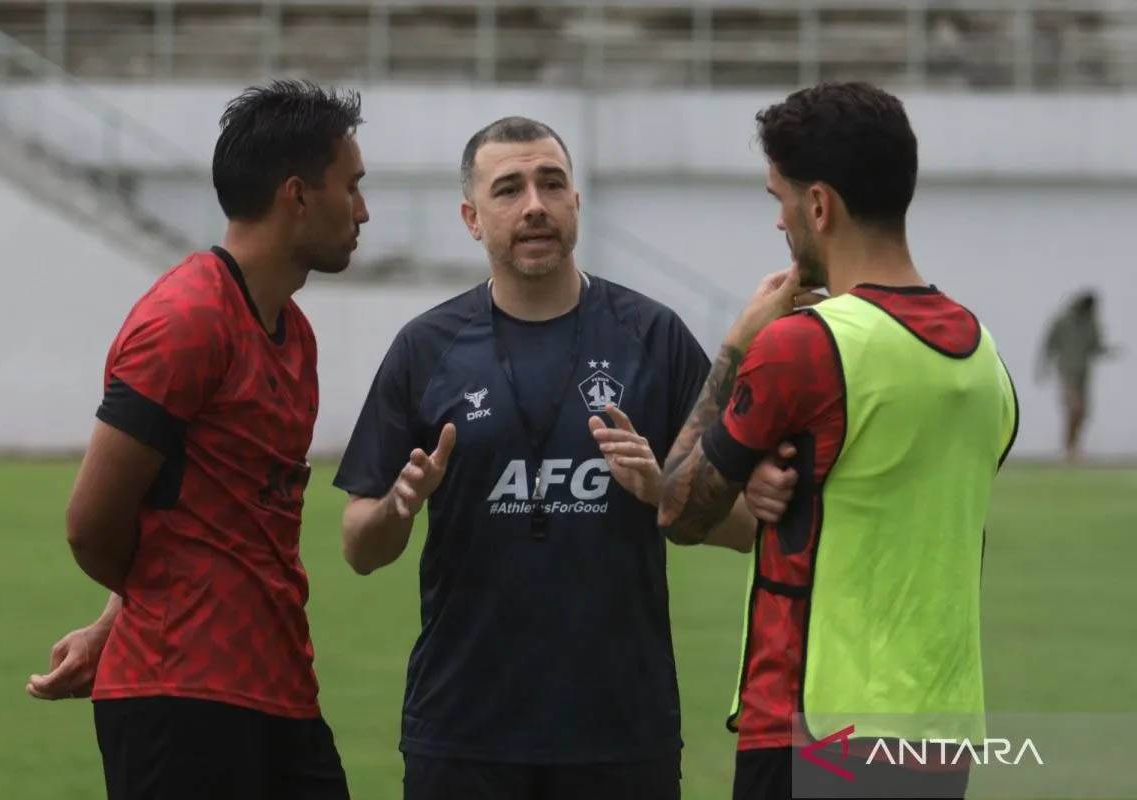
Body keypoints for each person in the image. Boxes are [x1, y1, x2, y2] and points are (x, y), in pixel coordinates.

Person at [334, 116, 792, 800]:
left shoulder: (653, 337)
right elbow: (360, 547)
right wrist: (400, 507)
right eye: (509, 189)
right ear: (472, 217)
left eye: (552, 184)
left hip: (620, 733)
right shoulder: (425, 348)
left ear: (576, 201)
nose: (535, 206)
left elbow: (744, 527)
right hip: (463, 733)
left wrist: (657, 488)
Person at [657, 82, 1019, 800]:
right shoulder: (984, 358)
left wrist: (736, 344)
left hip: (814, 731)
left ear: (819, 206)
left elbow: (677, 505)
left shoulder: (803, 347)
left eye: (778, 200)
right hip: (940, 734)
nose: (780, 224)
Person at [25, 80, 369, 800]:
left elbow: (206, 514)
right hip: (180, 697)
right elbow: (90, 525)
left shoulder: (293, 336)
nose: (362, 210)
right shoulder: (187, 319)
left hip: (277, 689)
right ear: (298, 196)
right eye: (352, 186)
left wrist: (118, 617)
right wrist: (157, 609)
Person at [1039, 291, 1116, 462]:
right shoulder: (1063, 320)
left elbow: (1095, 346)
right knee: (1075, 408)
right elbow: (1049, 344)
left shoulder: (1091, 322)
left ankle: (1074, 447)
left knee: (1083, 413)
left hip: (1083, 373)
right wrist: (1042, 368)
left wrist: (1109, 351)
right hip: (1067, 372)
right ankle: (1068, 448)